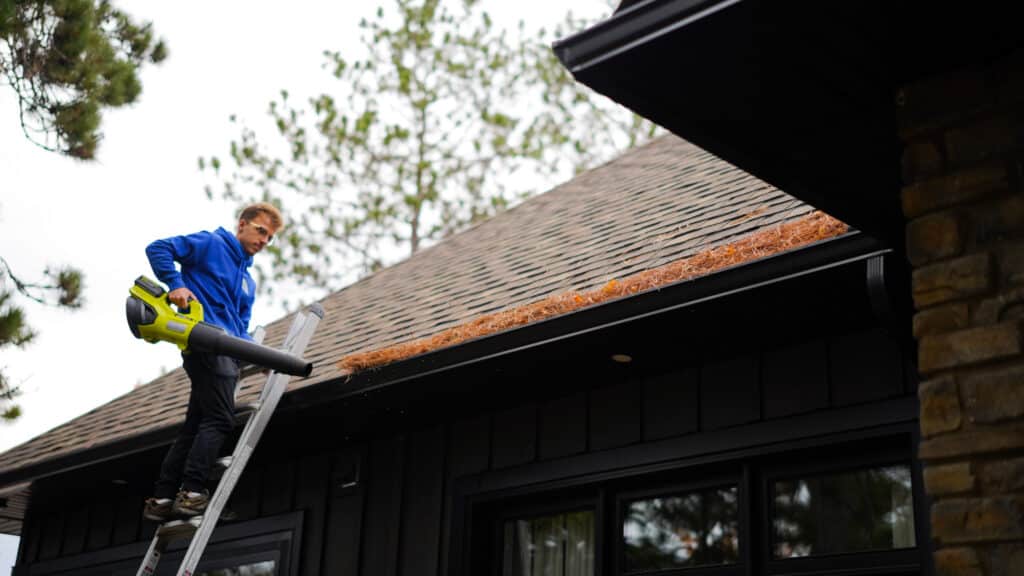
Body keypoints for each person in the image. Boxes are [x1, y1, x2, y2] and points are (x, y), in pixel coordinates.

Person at [142, 202, 283, 521]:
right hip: (205, 343)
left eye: (269, 237)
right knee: (220, 419)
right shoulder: (211, 243)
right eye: (261, 231)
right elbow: (158, 248)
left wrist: (259, 356)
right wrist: (176, 284)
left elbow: (240, 329)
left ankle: (162, 498)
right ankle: (192, 493)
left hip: (227, 352)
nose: (264, 240)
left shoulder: (247, 282)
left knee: (196, 425)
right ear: (242, 224)